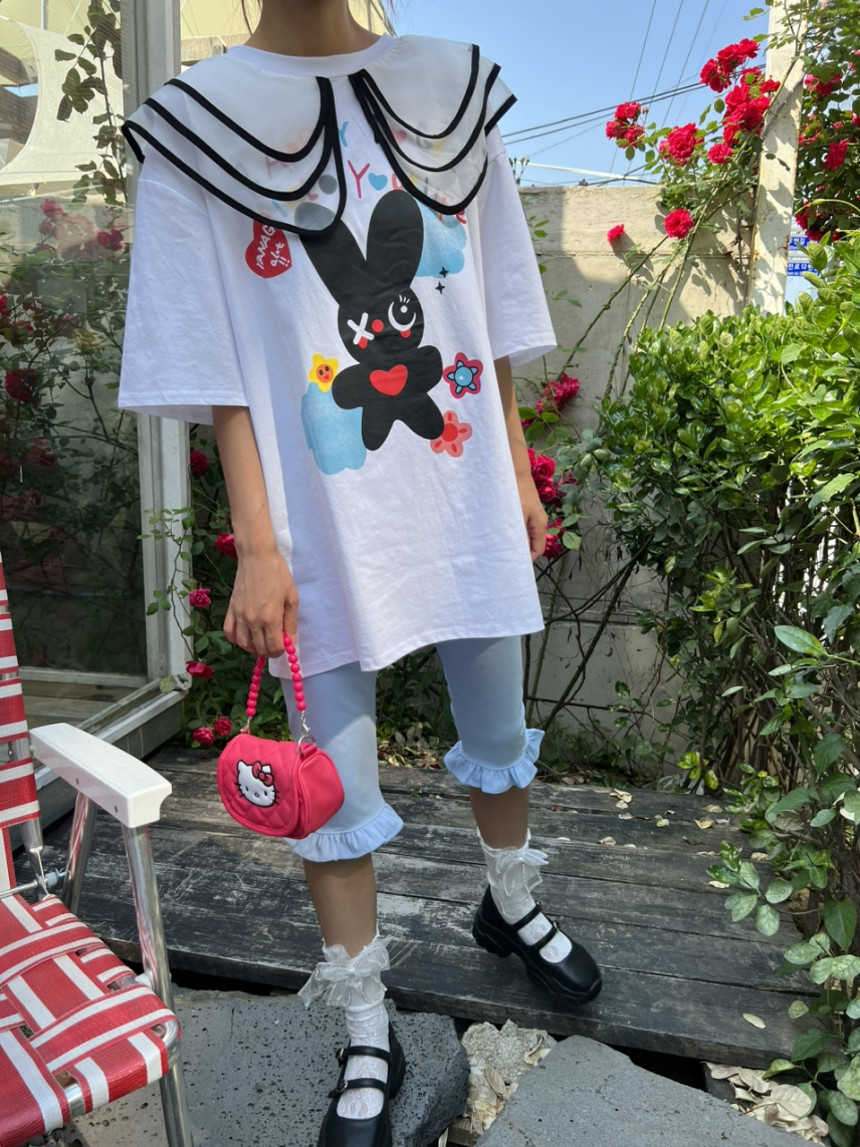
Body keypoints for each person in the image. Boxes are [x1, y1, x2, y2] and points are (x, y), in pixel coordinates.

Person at [118, 2, 601, 1144]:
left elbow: (487, 295)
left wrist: (518, 468)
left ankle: (510, 902)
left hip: (461, 482)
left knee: (499, 723)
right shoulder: (198, 122)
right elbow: (210, 353)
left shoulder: (450, 88)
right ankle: (366, 1022)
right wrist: (256, 542)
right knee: (330, 784)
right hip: (315, 518)